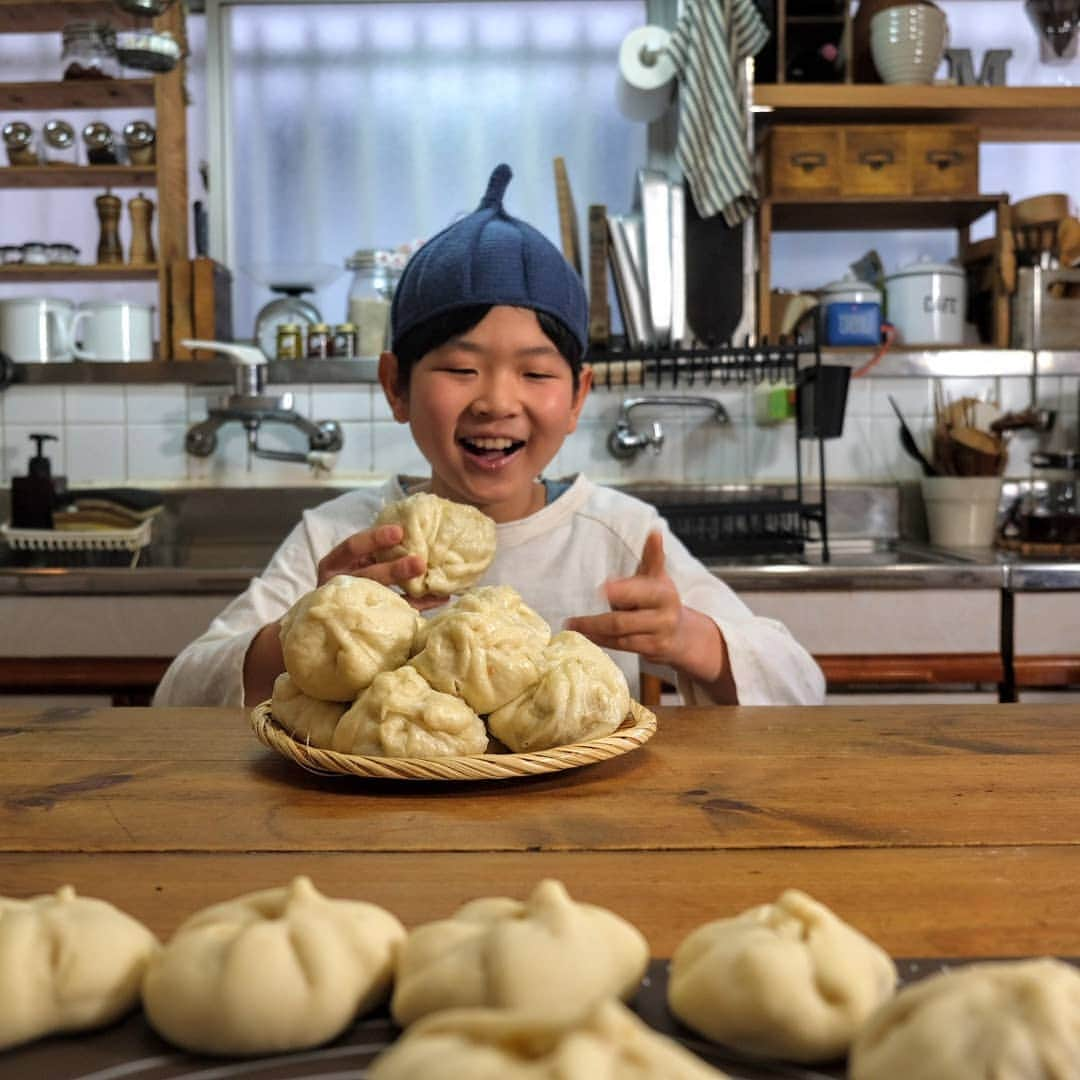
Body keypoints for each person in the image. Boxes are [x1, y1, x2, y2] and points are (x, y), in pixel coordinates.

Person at [154, 164, 824, 710]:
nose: (497, 402)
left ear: (577, 398)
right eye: (460, 368)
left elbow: (801, 685)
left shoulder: (617, 536)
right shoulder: (341, 540)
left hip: (578, 840)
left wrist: (690, 638)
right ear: (396, 386)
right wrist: (305, 629)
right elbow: (177, 697)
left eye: (535, 372)